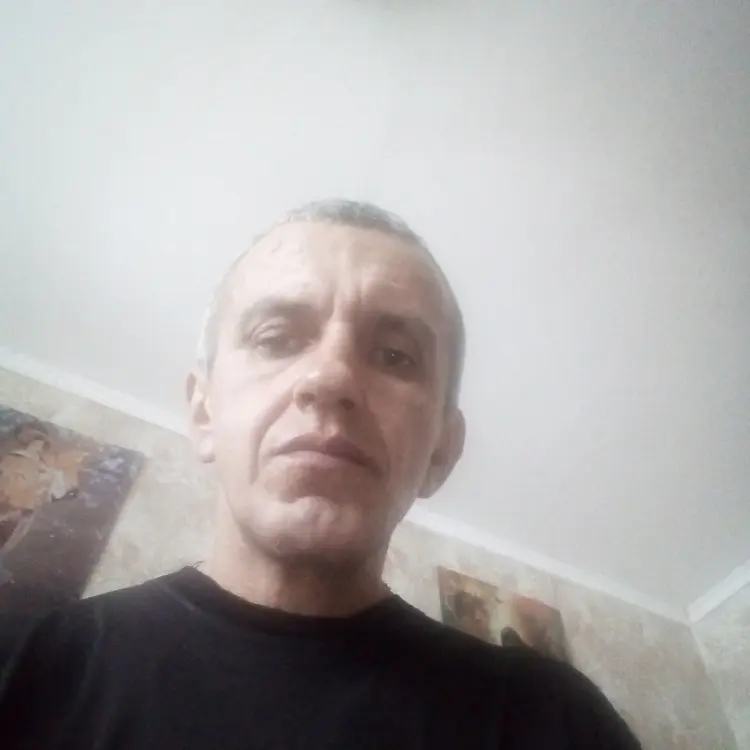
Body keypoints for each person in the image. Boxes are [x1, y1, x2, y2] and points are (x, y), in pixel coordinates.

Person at [0, 200, 641, 749]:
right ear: (204, 412)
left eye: (395, 355)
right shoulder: (25, 667)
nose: (331, 378)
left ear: (441, 451)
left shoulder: (553, 723)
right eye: (276, 338)